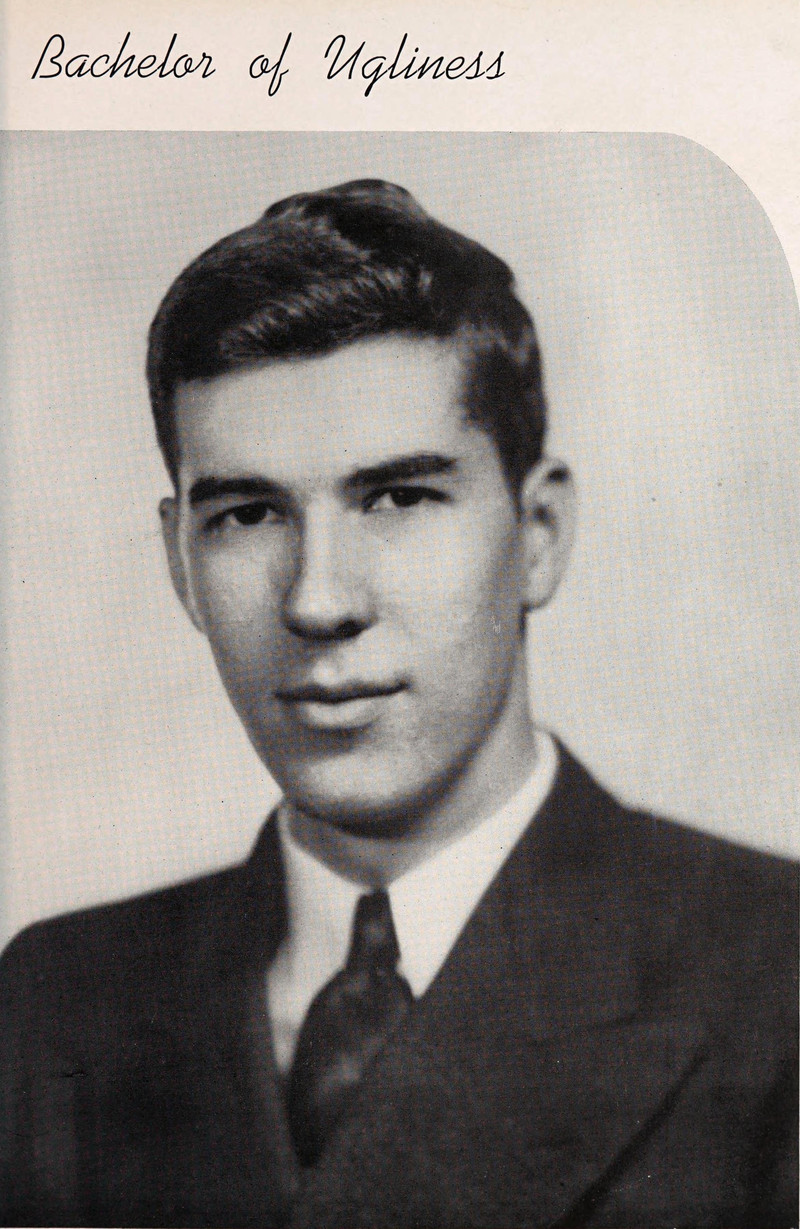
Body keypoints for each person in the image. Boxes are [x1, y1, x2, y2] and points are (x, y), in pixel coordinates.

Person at [1, 178, 797, 1229]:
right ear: (180, 564)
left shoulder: (774, 973)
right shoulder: (55, 1001)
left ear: (538, 535)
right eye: (247, 514)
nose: (318, 599)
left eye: (398, 497)